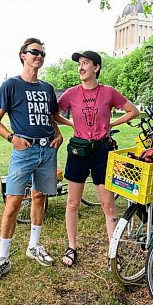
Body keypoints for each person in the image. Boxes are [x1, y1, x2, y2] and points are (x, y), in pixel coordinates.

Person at [0, 38, 63, 286]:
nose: (39, 56)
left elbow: (51, 118)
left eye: (42, 54)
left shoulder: (47, 88)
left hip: (47, 151)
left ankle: (34, 246)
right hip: (23, 150)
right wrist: (11, 138)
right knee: (13, 203)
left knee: (40, 198)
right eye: (34, 52)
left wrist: (58, 133)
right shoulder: (11, 85)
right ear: (23, 55)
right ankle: (2, 257)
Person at [53, 51, 139, 268]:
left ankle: (113, 251)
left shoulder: (109, 92)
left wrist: (111, 124)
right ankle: (72, 246)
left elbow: (133, 111)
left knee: (108, 205)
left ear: (96, 68)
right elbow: (54, 113)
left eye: (85, 63)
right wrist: (71, 124)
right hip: (78, 152)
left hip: (102, 151)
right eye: (79, 64)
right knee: (72, 203)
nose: (81, 67)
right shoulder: (71, 94)